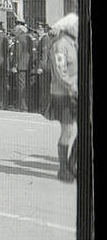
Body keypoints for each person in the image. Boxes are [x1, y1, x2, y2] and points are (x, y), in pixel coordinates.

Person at [45, 12, 78, 182]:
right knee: (68, 130)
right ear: (69, 28)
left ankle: (73, 164)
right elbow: (60, 72)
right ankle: (64, 169)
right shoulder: (60, 46)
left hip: (76, 93)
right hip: (64, 94)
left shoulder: (74, 44)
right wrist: (72, 86)